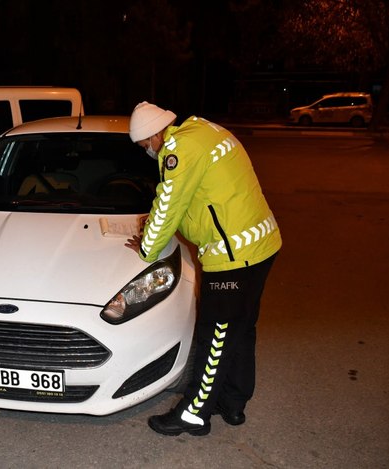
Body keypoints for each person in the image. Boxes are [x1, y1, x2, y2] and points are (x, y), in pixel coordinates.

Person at [125, 101, 282, 437]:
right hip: (260, 245)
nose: (146, 152)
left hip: (233, 256)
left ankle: (194, 414)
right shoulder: (203, 131)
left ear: (154, 134)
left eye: (144, 145)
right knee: (241, 330)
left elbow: (168, 204)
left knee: (216, 334)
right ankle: (234, 404)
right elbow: (199, 198)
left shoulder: (178, 150)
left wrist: (145, 247)